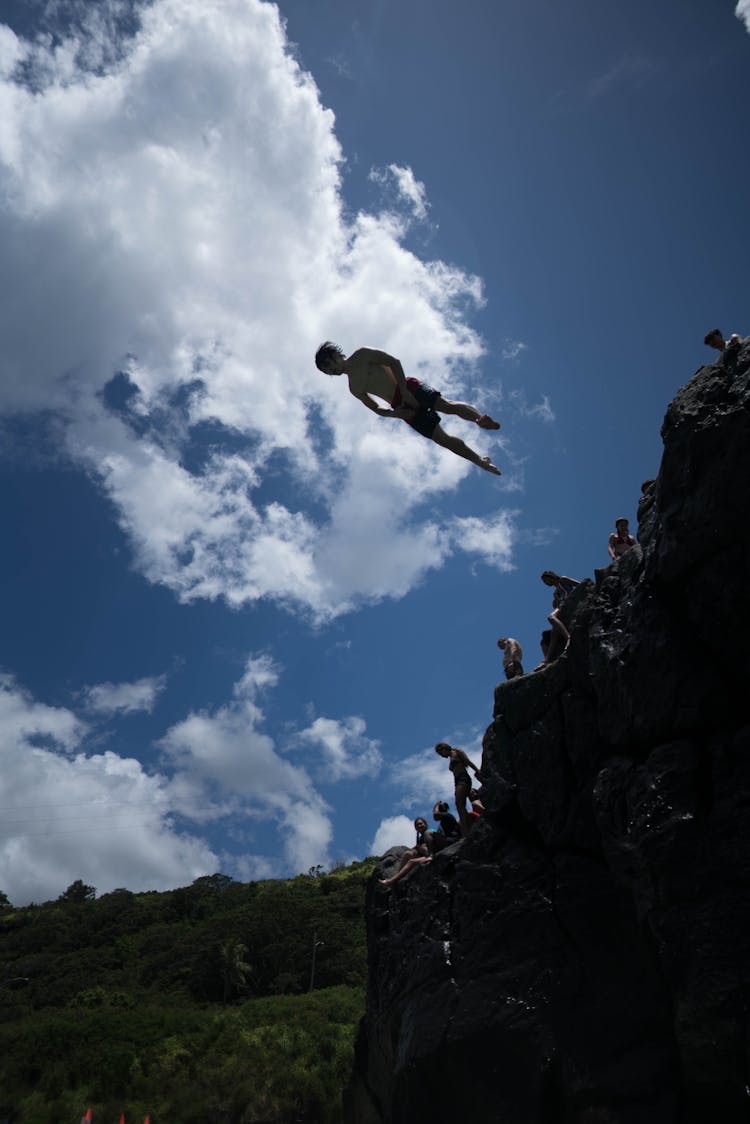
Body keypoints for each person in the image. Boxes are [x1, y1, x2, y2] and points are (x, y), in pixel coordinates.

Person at [315, 342, 502, 475]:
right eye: (327, 371)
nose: (331, 370)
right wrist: (396, 414)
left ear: (336, 355)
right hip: (400, 406)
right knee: (441, 439)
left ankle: (479, 419)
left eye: (329, 365)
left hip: (408, 387)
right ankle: (480, 461)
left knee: (445, 405)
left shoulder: (362, 355)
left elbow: (393, 362)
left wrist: (404, 390)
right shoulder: (354, 387)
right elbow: (377, 409)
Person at [435, 742, 482, 836]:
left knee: (459, 803)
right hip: (457, 781)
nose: (441, 756)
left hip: (463, 778)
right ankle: (467, 829)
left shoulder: (457, 751)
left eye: (441, 753)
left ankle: (466, 831)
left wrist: (477, 771)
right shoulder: (450, 758)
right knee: (460, 806)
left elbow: (468, 762)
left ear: (444, 748)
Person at [539, 570, 580, 666]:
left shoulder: (563, 579)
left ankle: (569, 637)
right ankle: (547, 660)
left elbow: (579, 584)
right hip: (562, 607)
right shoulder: (555, 593)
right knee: (554, 633)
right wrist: (555, 602)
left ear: (551, 576)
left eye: (546, 580)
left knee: (551, 617)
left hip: (568, 602)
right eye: (544, 582)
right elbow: (557, 606)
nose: (546, 583)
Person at [378, 817, 433, 884]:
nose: (419, 826)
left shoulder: (430, 832)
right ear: (415, 828)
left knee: (411, 862)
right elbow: (417, 848)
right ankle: (398, 875)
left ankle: (391, 881)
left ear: (425, 824)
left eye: (421, 824)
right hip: (423, 854)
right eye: (417, 825)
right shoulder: (419, 837)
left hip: (431, 854)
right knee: (407, 853)